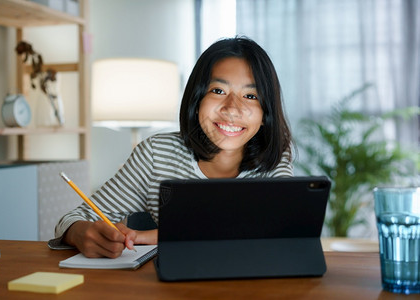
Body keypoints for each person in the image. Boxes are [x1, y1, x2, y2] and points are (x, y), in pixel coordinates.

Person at [52, 36, 293, 258]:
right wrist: (80, 233)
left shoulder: (274, 157)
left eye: (250, 96)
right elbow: (71, 219)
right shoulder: (156, 154)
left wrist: (151, 237)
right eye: (218, 91)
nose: (232, 108)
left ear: (265, 114)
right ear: (196, 101)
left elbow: (283, 235)